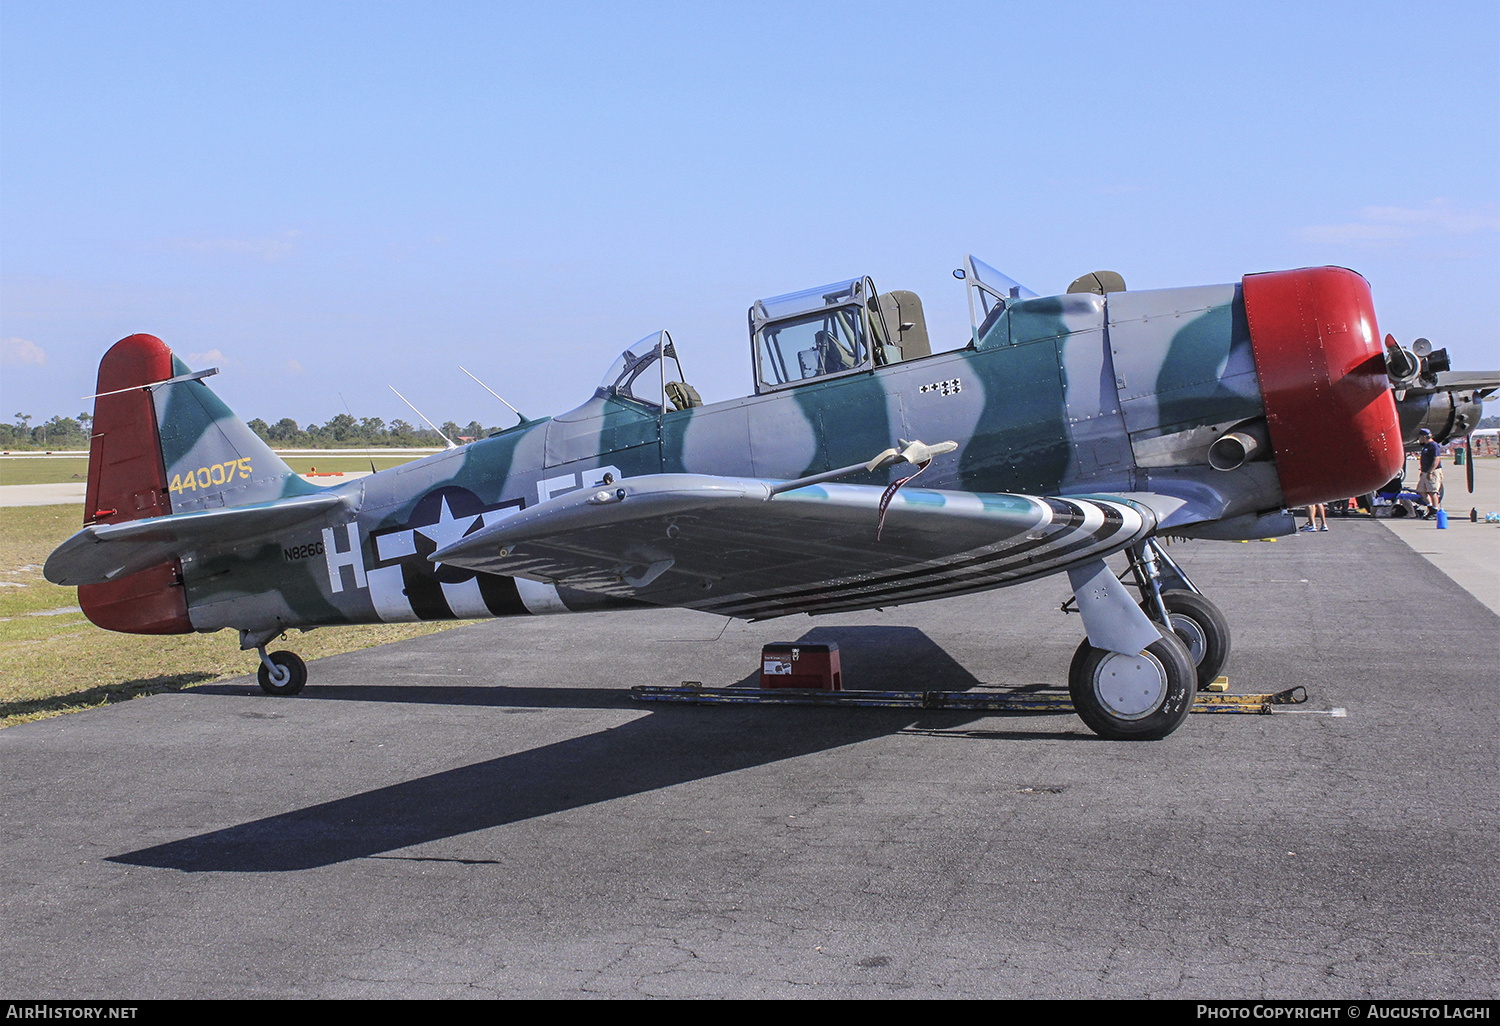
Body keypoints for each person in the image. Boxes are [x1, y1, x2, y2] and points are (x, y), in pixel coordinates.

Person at [1416, 428, 1443, 517]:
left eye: (1421, 436)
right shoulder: (1426, 446)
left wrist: (1430, 471)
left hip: (1432, 471)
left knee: (1432, 491)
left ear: (1424, 436)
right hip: (1425, 471)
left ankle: (1435, 510)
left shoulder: (1433, 445)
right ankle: (1430, 506)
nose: (1420, 438)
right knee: (1421, 490)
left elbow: (1437, 459)